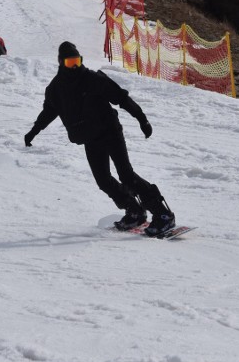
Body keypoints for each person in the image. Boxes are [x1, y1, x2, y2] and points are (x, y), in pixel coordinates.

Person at [24, 42, 175, 236]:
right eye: (71, 63)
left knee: (126, 175)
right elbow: (49, 112)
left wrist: (141, 118)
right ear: (61, 63)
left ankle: (163, 214)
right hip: (90, 138)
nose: (75, 66)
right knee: (103, 180)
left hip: (110, 131)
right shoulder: (55, 89)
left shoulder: (93, 79)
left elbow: (121, 98)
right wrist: (34, 131)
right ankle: (134, 210)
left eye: (77, 61)